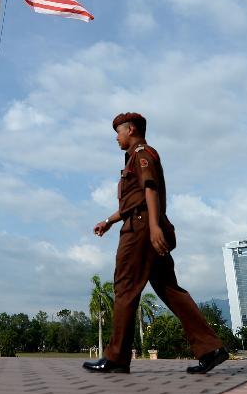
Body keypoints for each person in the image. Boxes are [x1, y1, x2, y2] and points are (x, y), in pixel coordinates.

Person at [82, 112, 229, 374]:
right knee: (169, 288)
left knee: (125, 288)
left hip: (140, 230)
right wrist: (109, 221)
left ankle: (116, 358)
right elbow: (134, 200)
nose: (116, 138)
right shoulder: (134, 158)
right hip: (142, 224)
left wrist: (153, 227)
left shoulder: (143, 154)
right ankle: (210, 348)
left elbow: (150, 189)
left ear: (131, 130)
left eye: (118, 132)